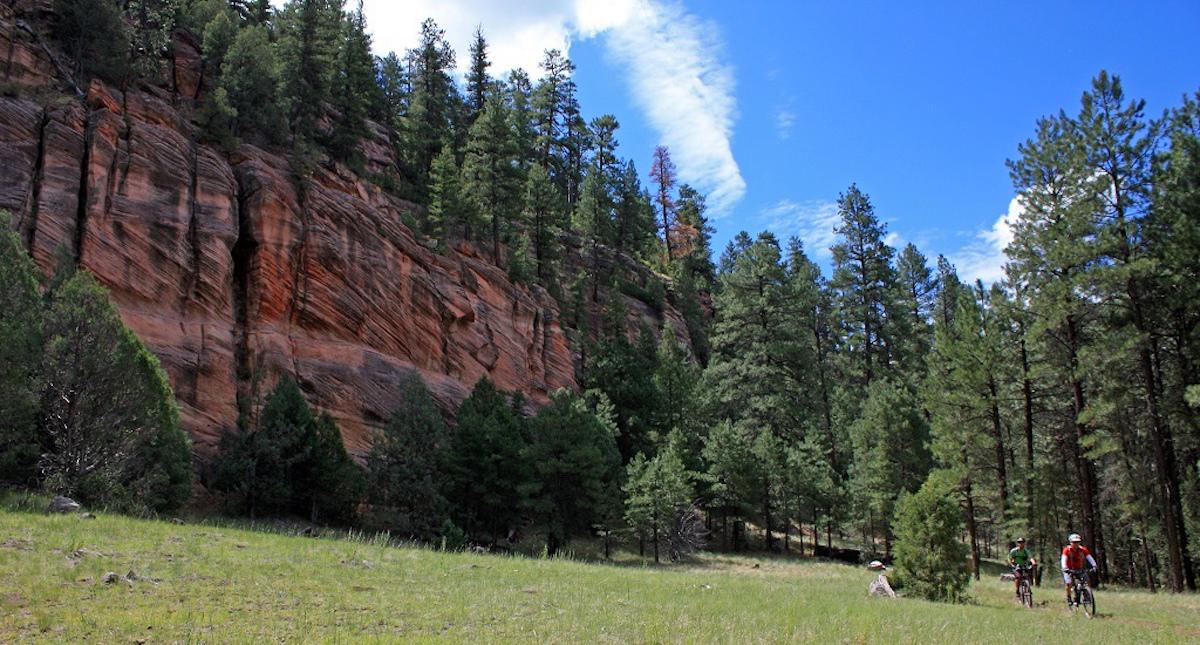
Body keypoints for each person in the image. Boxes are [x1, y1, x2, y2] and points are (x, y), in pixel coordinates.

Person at [1060, 533, 1097, 606]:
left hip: (1079, 568)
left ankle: (1086, 596)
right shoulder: (1067, 550)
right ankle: (1069, 598)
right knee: (1069, 583)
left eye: (1077, 542)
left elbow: (1089, 557)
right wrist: (1065, 568)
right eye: (1074, 542)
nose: (1076, 544)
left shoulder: (1083, 550)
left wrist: (1094, 565)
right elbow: (1063, 559)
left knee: (1086, 581)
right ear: (1070, 542)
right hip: (1068, 569)